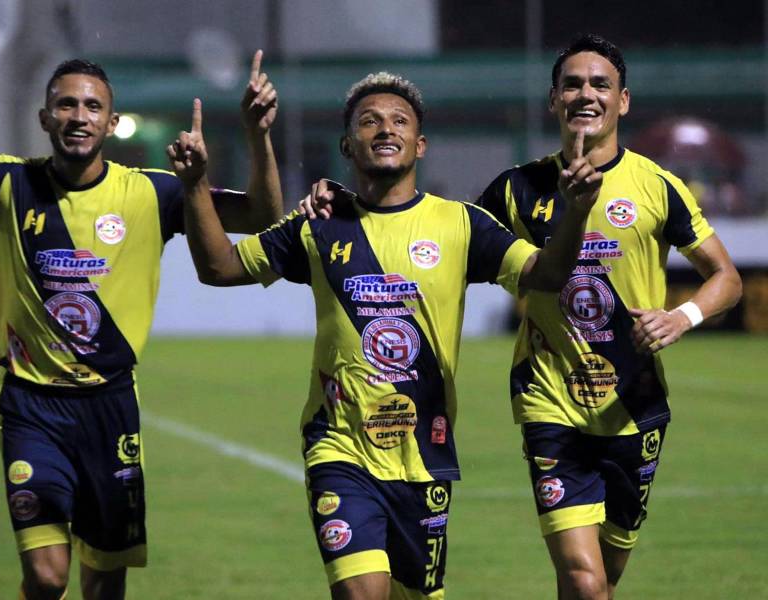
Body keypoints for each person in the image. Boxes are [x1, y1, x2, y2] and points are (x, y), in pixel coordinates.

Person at [170, 71, 603, 599]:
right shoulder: (319, 225)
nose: (385, 129)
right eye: (369, 121)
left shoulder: (462, 224)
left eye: (399, 121)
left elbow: (549, 275)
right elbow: (218, 267)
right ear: (346, 145)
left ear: (419, 144)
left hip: (424, 455)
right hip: (340, 447)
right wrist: (195, 185)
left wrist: (577, 211)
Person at [0, 51, 281, 600]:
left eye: (93, 107)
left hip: (110, 407)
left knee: (105, 580)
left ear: (112, 124)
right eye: (66, 104)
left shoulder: (151, 193)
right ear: (45, 118)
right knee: (45, 577)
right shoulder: (6, 184)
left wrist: (256, 135)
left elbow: (259, 215)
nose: (79, 116)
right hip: (30, 406)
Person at [475, 34, 743, 599]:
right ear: (554, 100)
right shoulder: (517, 189)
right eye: (572, 83)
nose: (585, 94)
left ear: (623, 101)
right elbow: (436, 235)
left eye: (601, 84)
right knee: (584, 580)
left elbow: (727, 277)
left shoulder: (657, 186)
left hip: (635, 405)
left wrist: (683, 316)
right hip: (551, 403)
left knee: (607, 577)